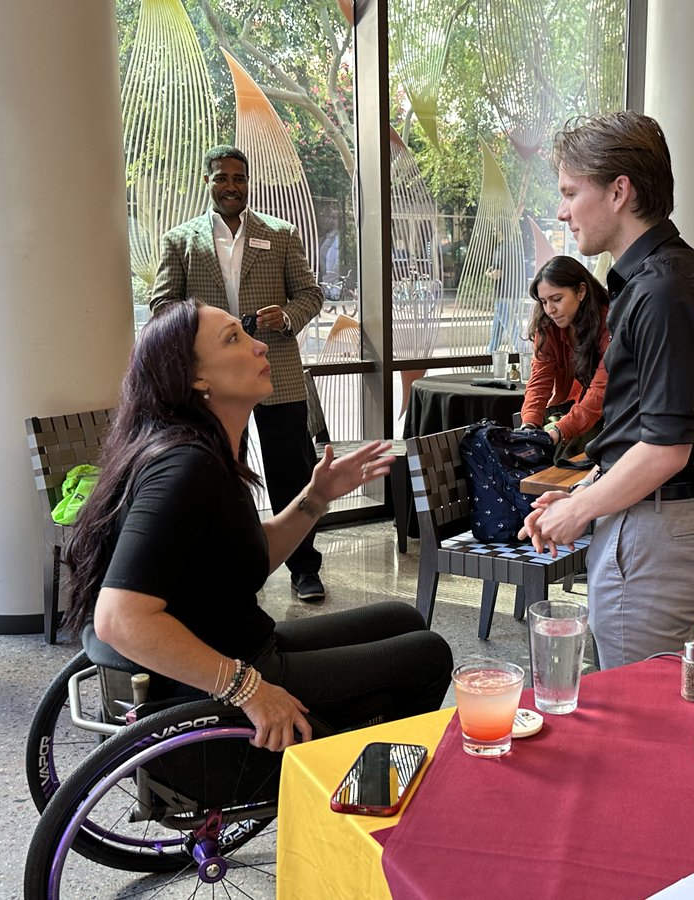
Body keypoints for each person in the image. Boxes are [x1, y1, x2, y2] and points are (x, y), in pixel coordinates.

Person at [61, 299, 453, 752]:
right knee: (428, 656)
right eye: (234, 338)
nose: (261, 345)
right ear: (195, 378)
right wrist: (249, 690)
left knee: (400, 618)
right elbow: (118, 618)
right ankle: (361, 779)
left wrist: (316, 497)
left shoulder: (205, 450)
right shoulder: (186, 467)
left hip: (238, 644)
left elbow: (245, 559)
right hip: (216, 678)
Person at [520, 111, 694, 669]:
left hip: (656, 530)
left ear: (619, 190)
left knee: (640, 719)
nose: (562, 211)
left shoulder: (662, 288)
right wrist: (586, 490)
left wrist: (579, 510)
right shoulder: (655, 281)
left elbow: (667, 447)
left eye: (569, 192)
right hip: (649, 522)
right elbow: (639, 427)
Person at [151, 145, 327, 603]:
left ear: (249, 182)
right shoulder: (181, 241)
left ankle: (305, 567)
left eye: (239, 178)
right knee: (225, 475)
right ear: (208, 182)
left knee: (293, 470)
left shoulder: (281, 234)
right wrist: (209, 328)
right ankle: (238, 565)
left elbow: (310, 294)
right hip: (216, 381)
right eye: (222, 178)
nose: (231, 186)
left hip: (276, 371)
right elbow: (162, 305)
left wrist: (286, 316)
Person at [519, 255, 611, 461]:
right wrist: (529, 425)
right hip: (571, 409)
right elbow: (539, 381)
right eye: (544, 302)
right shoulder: (546, 325)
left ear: (581, 291)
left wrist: (560, 431)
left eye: (557, 299)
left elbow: (602, 390)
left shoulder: (608, 321)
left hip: (612, 415)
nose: (550, 310)